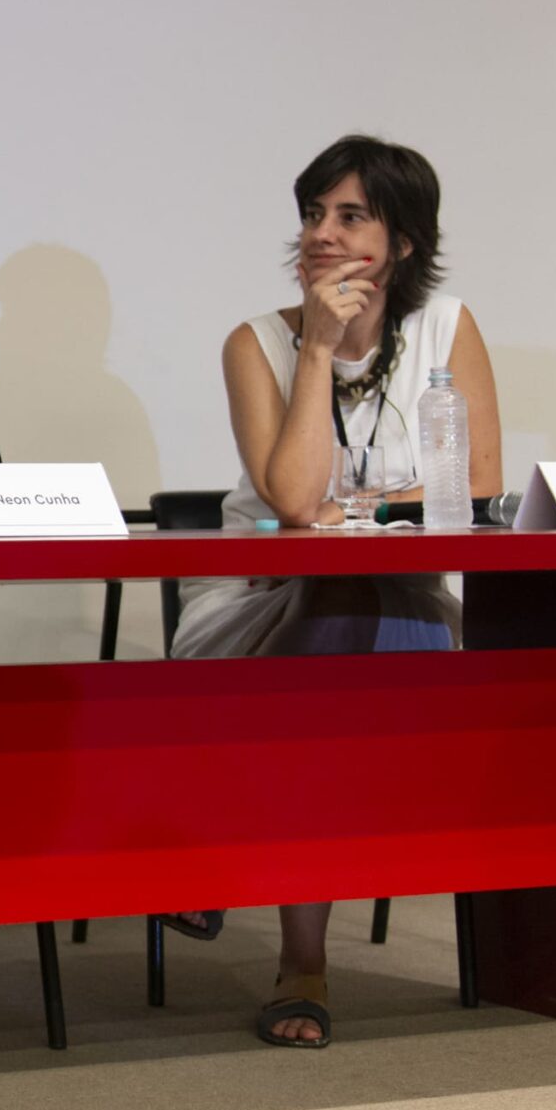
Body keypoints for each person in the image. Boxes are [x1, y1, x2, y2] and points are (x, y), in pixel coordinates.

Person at [166, 133, 502, 1047]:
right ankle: (300, 958)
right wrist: (316, 349)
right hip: (256, 603)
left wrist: (355, 511)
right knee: (335, 616)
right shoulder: (258, 342)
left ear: (402, 242)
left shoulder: (445, 327)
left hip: (404, 599)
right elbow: (290, 500)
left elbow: (475, 485)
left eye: (350, 217)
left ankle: (228, 845)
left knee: (356, 619)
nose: (322, 233)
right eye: (314, 214)